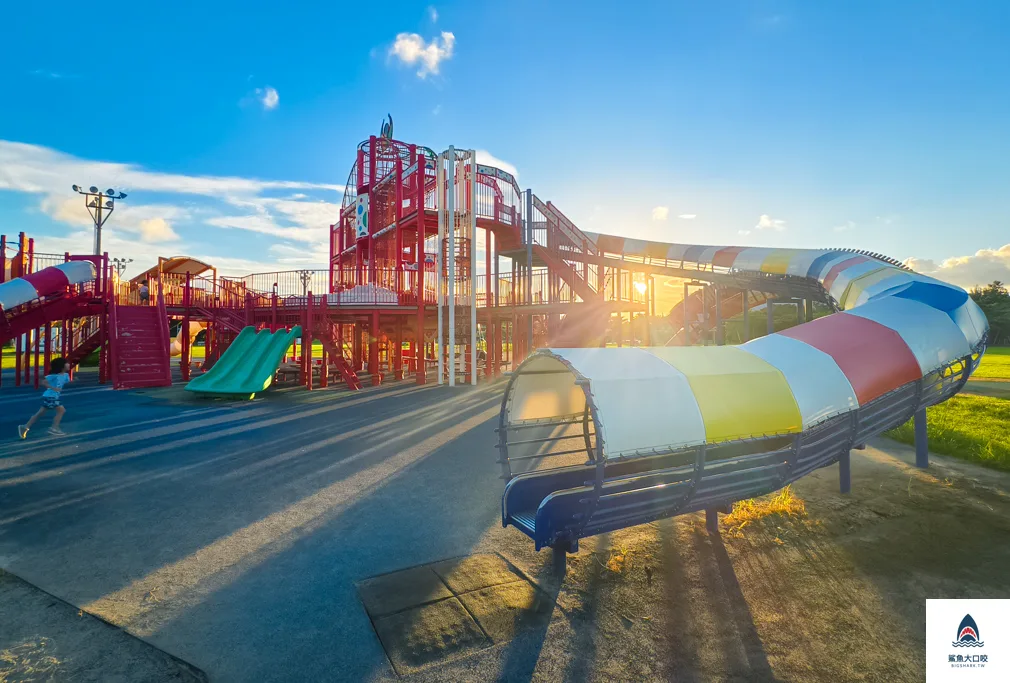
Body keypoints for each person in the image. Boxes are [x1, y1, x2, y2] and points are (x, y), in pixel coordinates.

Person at [18, 357, 70, 439]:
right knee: (61, 410)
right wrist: (53, 388)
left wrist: (75, 380)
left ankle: (24, 427)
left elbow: (65, 381)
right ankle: (54, 428)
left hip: (53, 396)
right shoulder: (53, 376)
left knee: (40, 413)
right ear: (61, 366)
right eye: (67, 363)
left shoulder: (66, 375)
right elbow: (44, 382)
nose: (69, 364)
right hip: (51, 396)